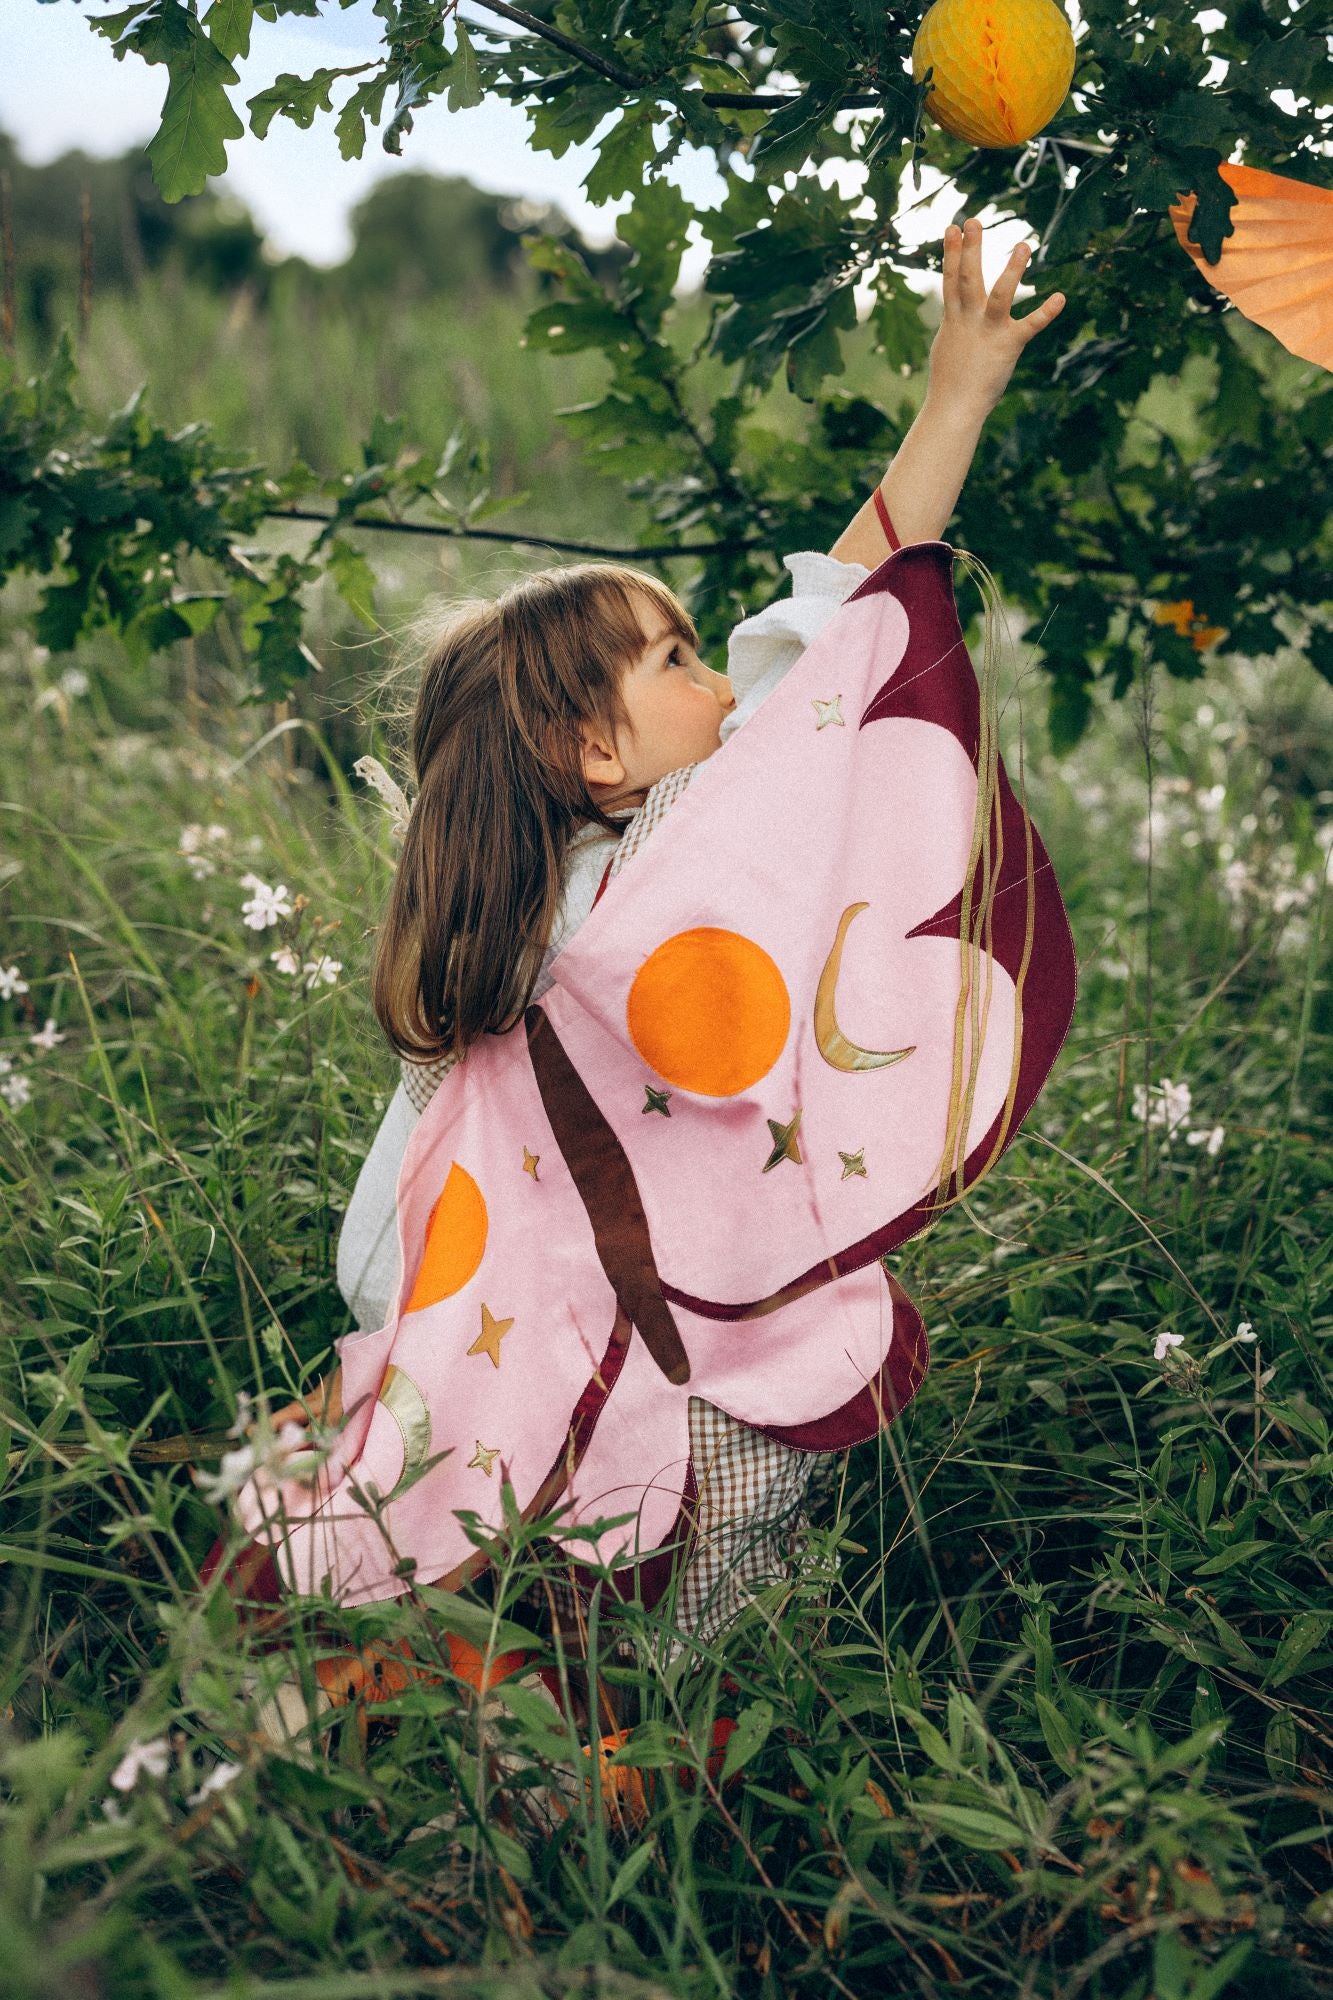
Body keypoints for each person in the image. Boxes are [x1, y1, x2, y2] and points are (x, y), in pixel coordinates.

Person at [224, 216, 1066, 1818]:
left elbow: (799, 643)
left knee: (533, 1561)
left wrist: (952, 396)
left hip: (523, 1331)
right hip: (661, 1350)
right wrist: (949, 404)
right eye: (678, 661)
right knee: (692, 1578)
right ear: (597, 753)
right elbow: (825, 642)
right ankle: (642, 1766)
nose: (724, 686)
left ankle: (568, 1730)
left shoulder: (530, 910)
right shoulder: (649, 879)